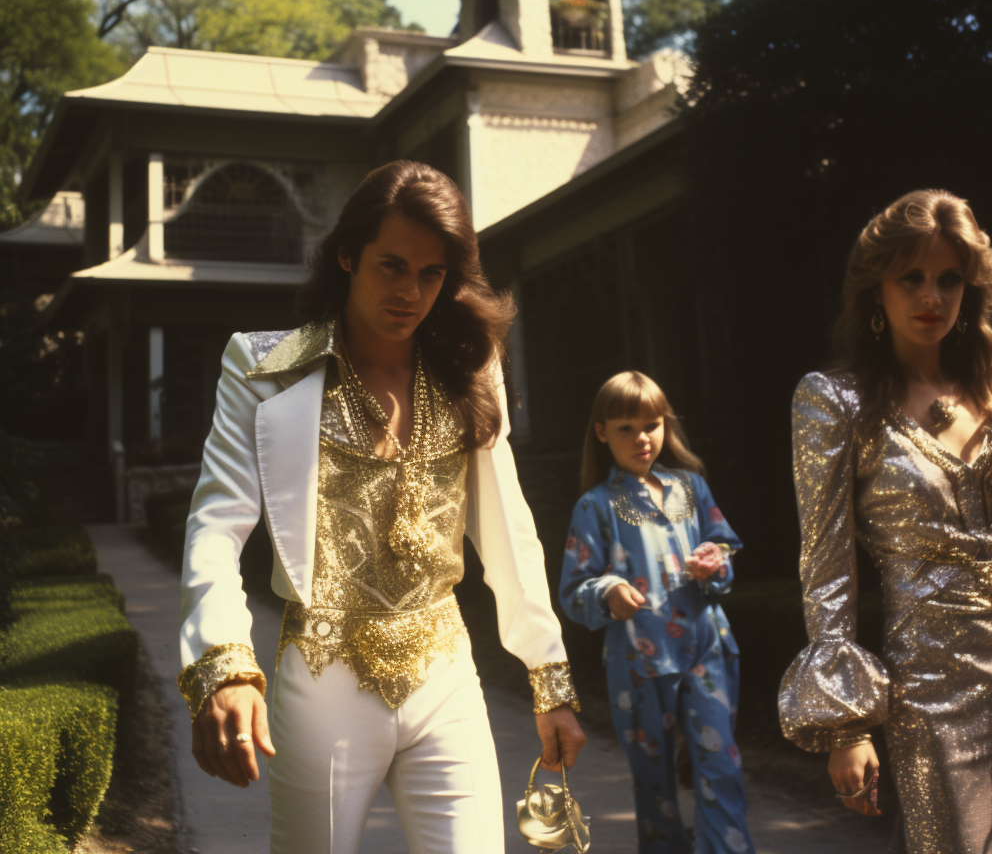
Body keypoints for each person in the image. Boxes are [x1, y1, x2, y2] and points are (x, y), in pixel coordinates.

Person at [175, 160, 586, 854]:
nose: (411, 292)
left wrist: (550, 675)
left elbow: (508, 530)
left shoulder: (468, 365)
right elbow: (215, 528)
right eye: (392, 266)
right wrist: (222, 661)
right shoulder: (264, 369)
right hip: (322, 676)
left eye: (431, 275)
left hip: (445, 671)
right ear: (346, 255)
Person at [779, 189, 992, 853]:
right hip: (933, 686)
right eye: (911, 277)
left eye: (950, 279)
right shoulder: (836, 401)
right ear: (876, 290)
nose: (932, 297)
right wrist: (847, 724)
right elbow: (826, 564)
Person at [559, 370, 756, 854]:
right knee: (655, 788)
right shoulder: (595, 506)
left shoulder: (691, 488)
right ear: (601, 431)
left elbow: (724, 550)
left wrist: (714, 562)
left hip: (705, 652)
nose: (641, 438)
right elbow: (574, 588)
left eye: (652, 424)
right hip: (639, 666)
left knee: (722, 768)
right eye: (626, 427)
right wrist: (608, 591)